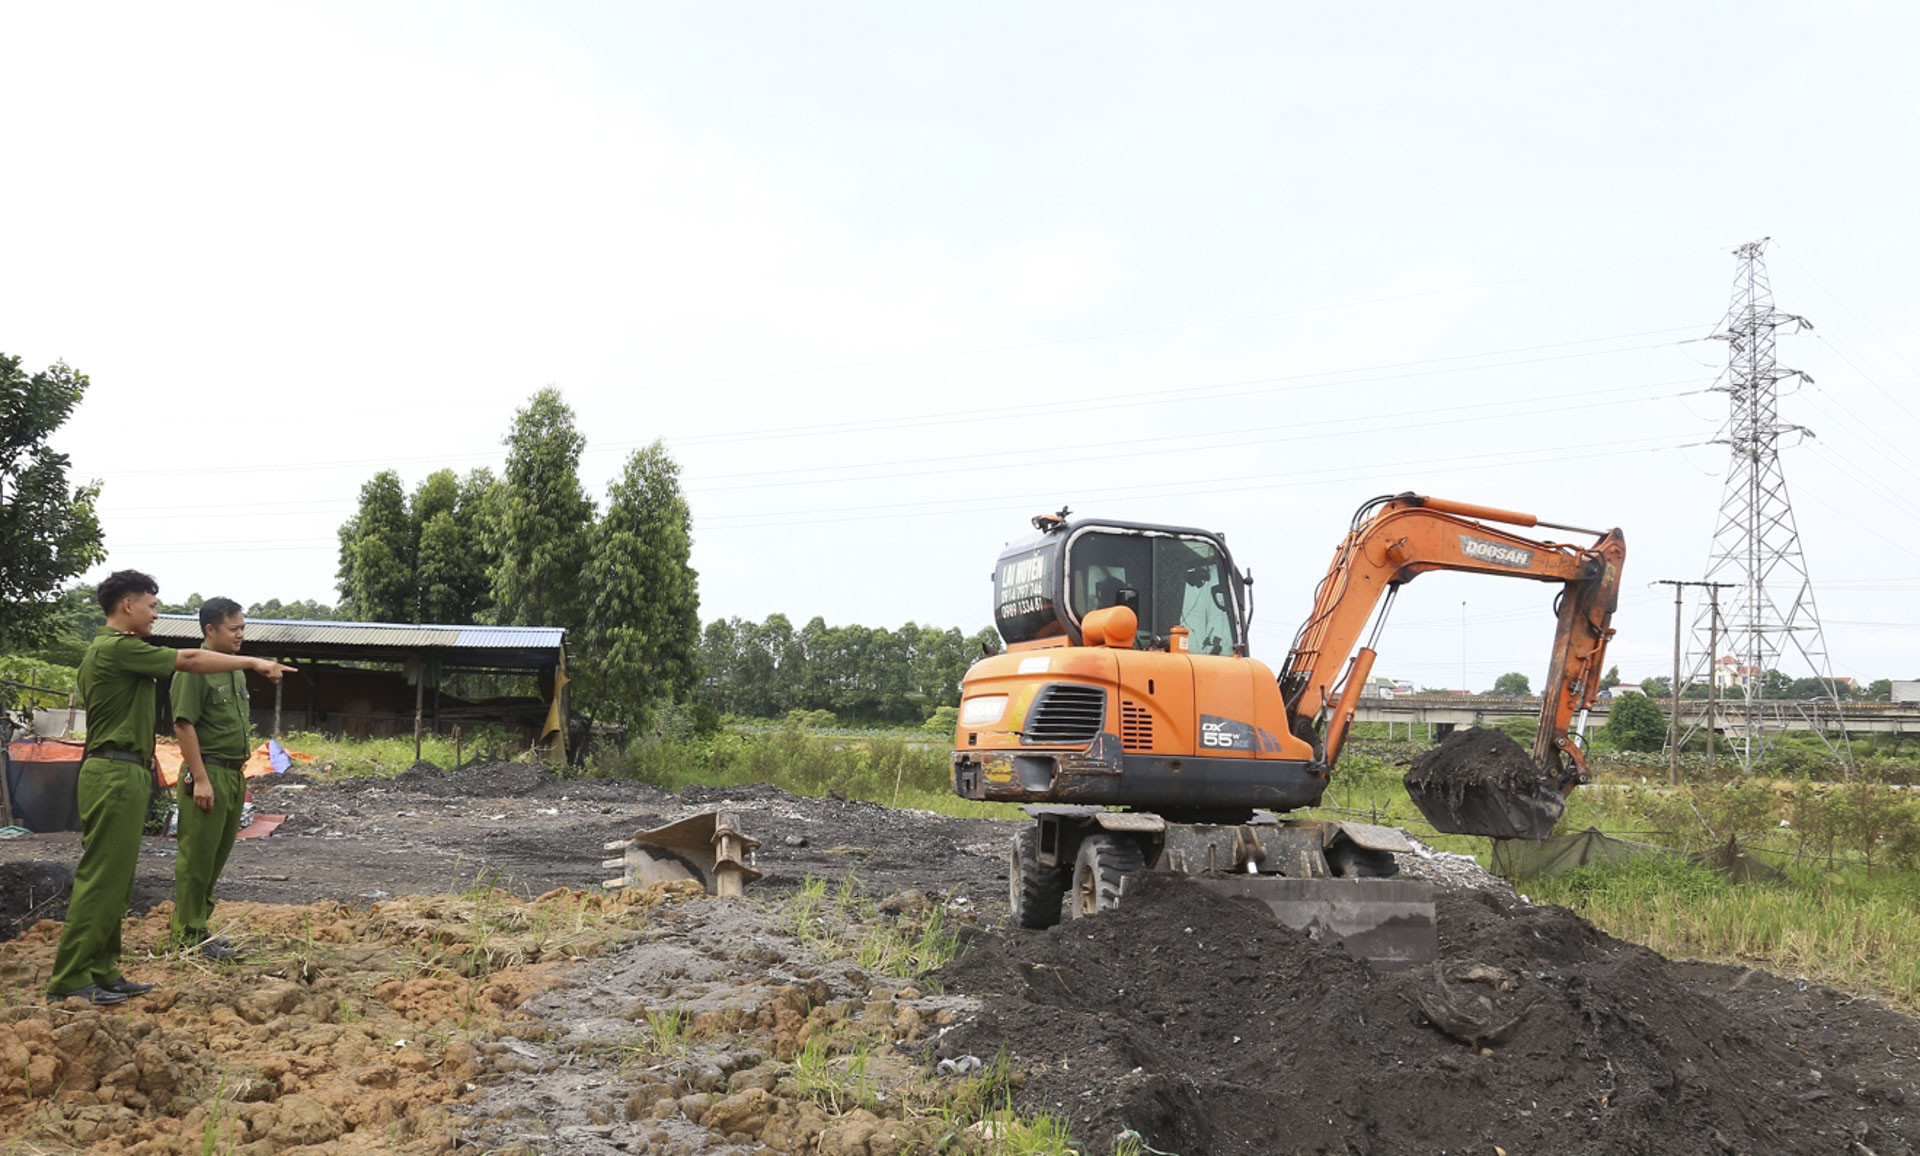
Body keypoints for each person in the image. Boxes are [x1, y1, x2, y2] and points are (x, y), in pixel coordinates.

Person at [45, 572, 294, 1005]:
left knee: (117, 881)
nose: (156, 615)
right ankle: (70, 979)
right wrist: (253, 662)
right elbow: (190, 662)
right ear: (128, 606)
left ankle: (103, 971)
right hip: (113, 771)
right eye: (151, 606)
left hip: (130, 770)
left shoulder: (125, 653)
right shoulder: (115, 648)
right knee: (101, 878)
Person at [169, 596, 255, 960]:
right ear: (210, 630)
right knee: (197, 857)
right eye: (233, 629)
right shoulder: (194, 671)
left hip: (234, 774)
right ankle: (186, 936)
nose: (240, 635)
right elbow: (183, 723)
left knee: (216, 857)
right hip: (210, 773)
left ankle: (199, 927)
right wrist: (200, 779)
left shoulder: (234, 669)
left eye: (242, 628)